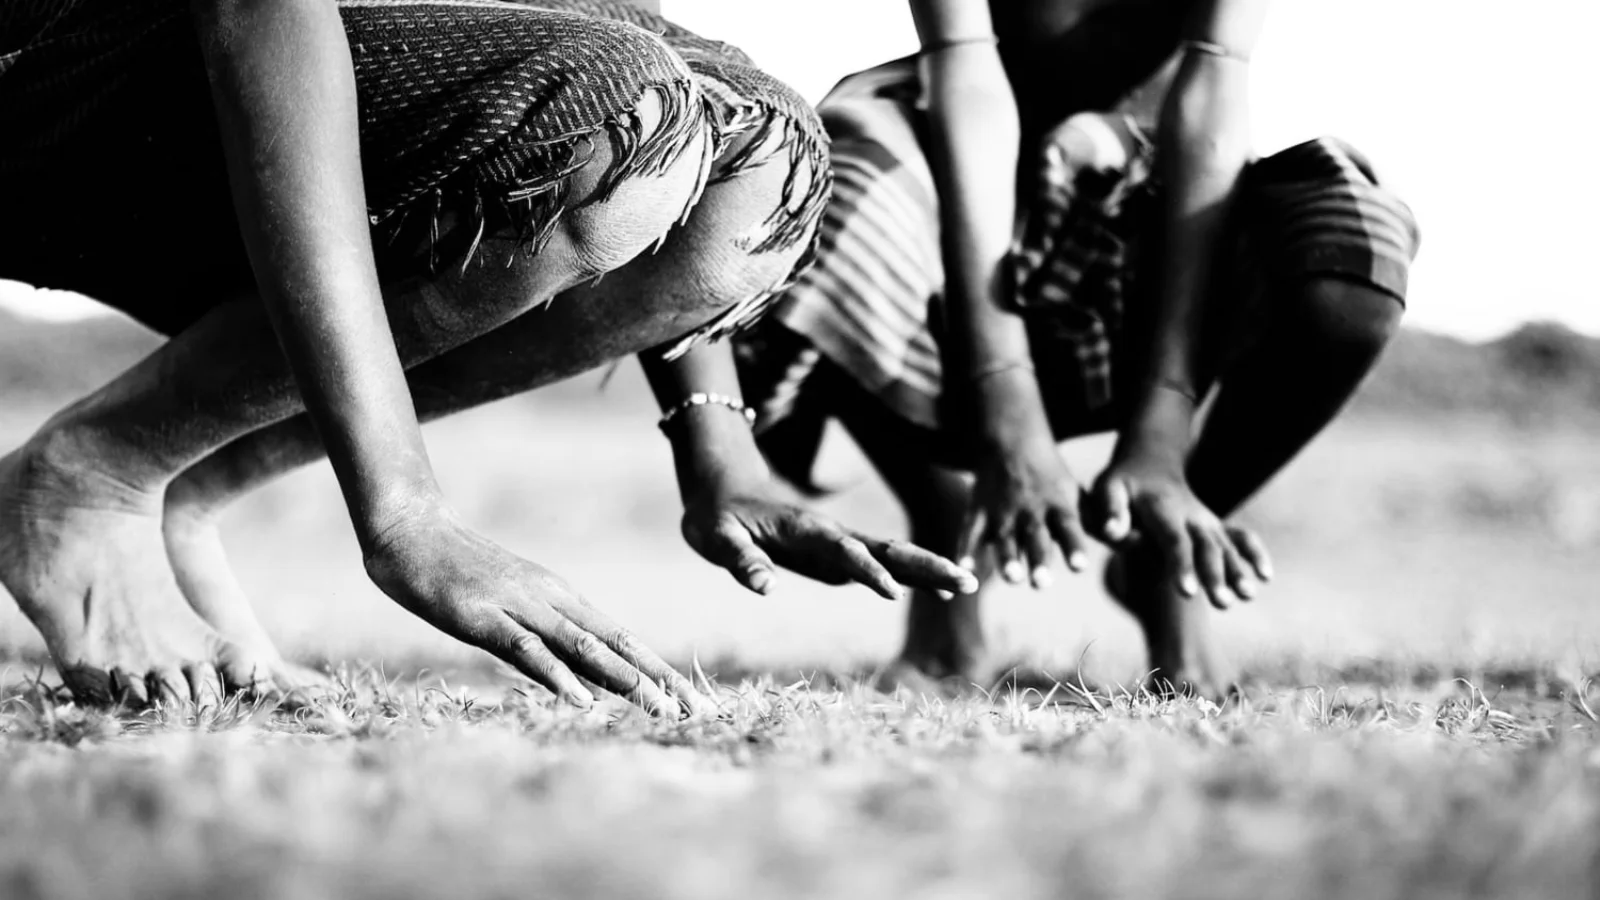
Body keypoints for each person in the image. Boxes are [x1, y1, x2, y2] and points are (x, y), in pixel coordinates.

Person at [0, 0, 975, 713]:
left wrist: (718, 453)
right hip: (59, 63)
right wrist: (405, 510)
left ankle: (183, 482)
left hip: (293, 85)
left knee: (768, 156)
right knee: (606, 106)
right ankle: (96, 471)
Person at [734, 0, 1421, 695]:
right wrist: (1007, 403)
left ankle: (1164, 550)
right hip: (956, 187)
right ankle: (949, 532)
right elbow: (968, 78)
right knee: (826, 188)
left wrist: (1164, 431)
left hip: (1156, 204)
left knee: (1350, 259)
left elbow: (1212, 92)